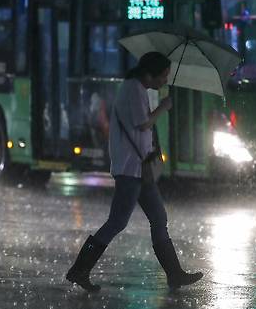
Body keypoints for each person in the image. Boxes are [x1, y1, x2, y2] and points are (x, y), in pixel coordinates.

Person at [65, 51, 203, 292]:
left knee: (158, 217)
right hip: (130, 168)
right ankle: (79, 270)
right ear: (150, 73)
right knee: (117, 222)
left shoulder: (138, 88)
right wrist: (163, 107)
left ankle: (175, 274)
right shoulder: (133, 89)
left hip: (140, 169)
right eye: (163, 75)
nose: (164, 80)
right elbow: (142, 123)